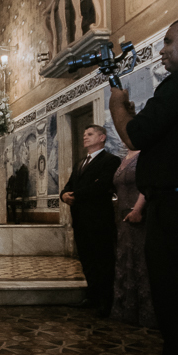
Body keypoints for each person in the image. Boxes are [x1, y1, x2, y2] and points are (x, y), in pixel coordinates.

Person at [109, 18, 178, 355]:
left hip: (173, 207)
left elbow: (136, 137)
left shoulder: (175, 87)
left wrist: (118, 107)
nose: (162, 49)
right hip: (167, 201)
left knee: (172, 296)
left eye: (169, 42)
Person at [60, 124, 121, 316]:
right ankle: (92, 296)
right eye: (84, 134)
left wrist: (75, 195)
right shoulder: (81, 163)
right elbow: (68, 185)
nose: (85, 137)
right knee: (87, 259)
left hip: (98, 219)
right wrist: (63, 196)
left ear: (102, 137)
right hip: (80, 219)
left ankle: (105, 301)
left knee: (102, 259)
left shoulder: (110, 160)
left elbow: (102, 186)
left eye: (90, 134)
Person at [111, 150, 157, 328]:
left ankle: (148, 312)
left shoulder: (146, 156)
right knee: (126, 259)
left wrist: (137, 209)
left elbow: (147, 185)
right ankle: (127, 310)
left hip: (138, 214)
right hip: (122, 216)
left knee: (142, 261)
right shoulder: (123, 158)